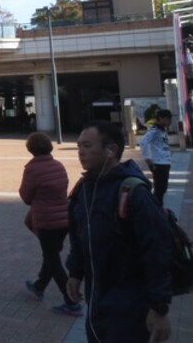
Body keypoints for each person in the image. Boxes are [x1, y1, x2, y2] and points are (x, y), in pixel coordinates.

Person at [66, 121, 173, 343]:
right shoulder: (83, 189)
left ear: (111, 150)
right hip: (97, 302)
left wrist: (159, 307)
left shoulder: (133, 191)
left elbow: (157, 249)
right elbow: (78, 234)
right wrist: (75, 272)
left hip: (131, 305)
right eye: (78, 147)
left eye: (87, 146)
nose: (81, 152)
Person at [19, 132, 81, 316]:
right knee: (51, 254)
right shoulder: (58, 165)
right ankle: (39, 286)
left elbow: (26, 197)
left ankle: (71, 301)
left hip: (46, 220)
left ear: (31, 149)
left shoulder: (32, 169)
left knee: (53, 260)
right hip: (64, 218)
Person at [139, 109, 172, 207]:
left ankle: (157, 209)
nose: (170, 121)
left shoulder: (162, 130)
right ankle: (156, 209)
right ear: (161, 118)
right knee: (159, 189)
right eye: (168, 118)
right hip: (159, 162)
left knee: (162, 189)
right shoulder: (155, 130)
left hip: (164, 162)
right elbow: (143, 141)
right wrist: (147, 158)